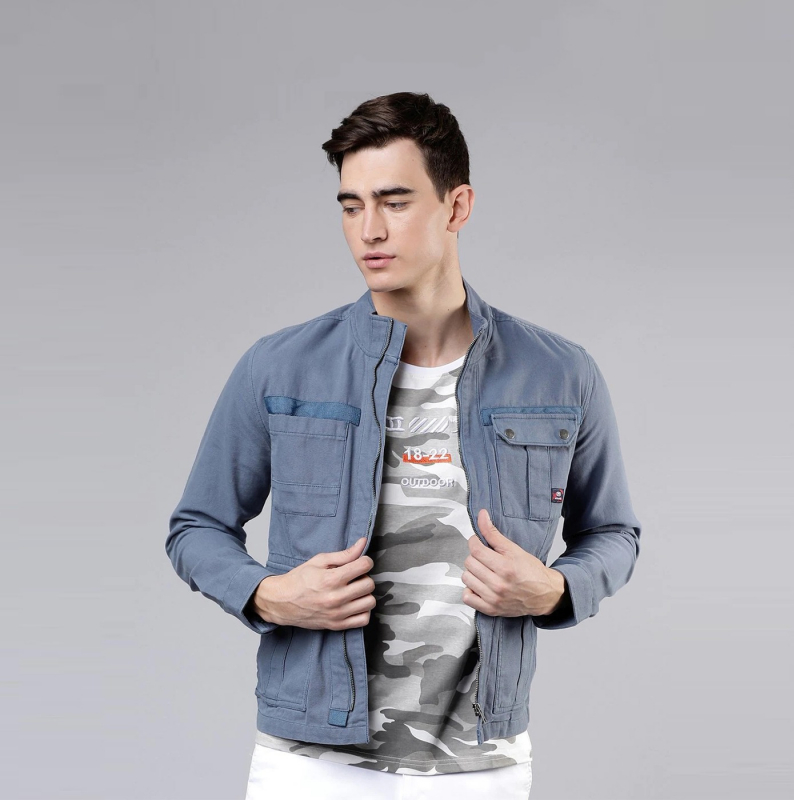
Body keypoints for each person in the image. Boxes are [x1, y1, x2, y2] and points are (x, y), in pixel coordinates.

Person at [165, 91, 642, 800]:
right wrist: (267, 594)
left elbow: (614, 534)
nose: (369, 230)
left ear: (456, 206)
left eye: (394, 202)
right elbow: (196, 527)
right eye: (351, 206)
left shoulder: (560, 373)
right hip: (309, 762)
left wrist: (558, 589)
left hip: (481, 765)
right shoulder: (279, 366)